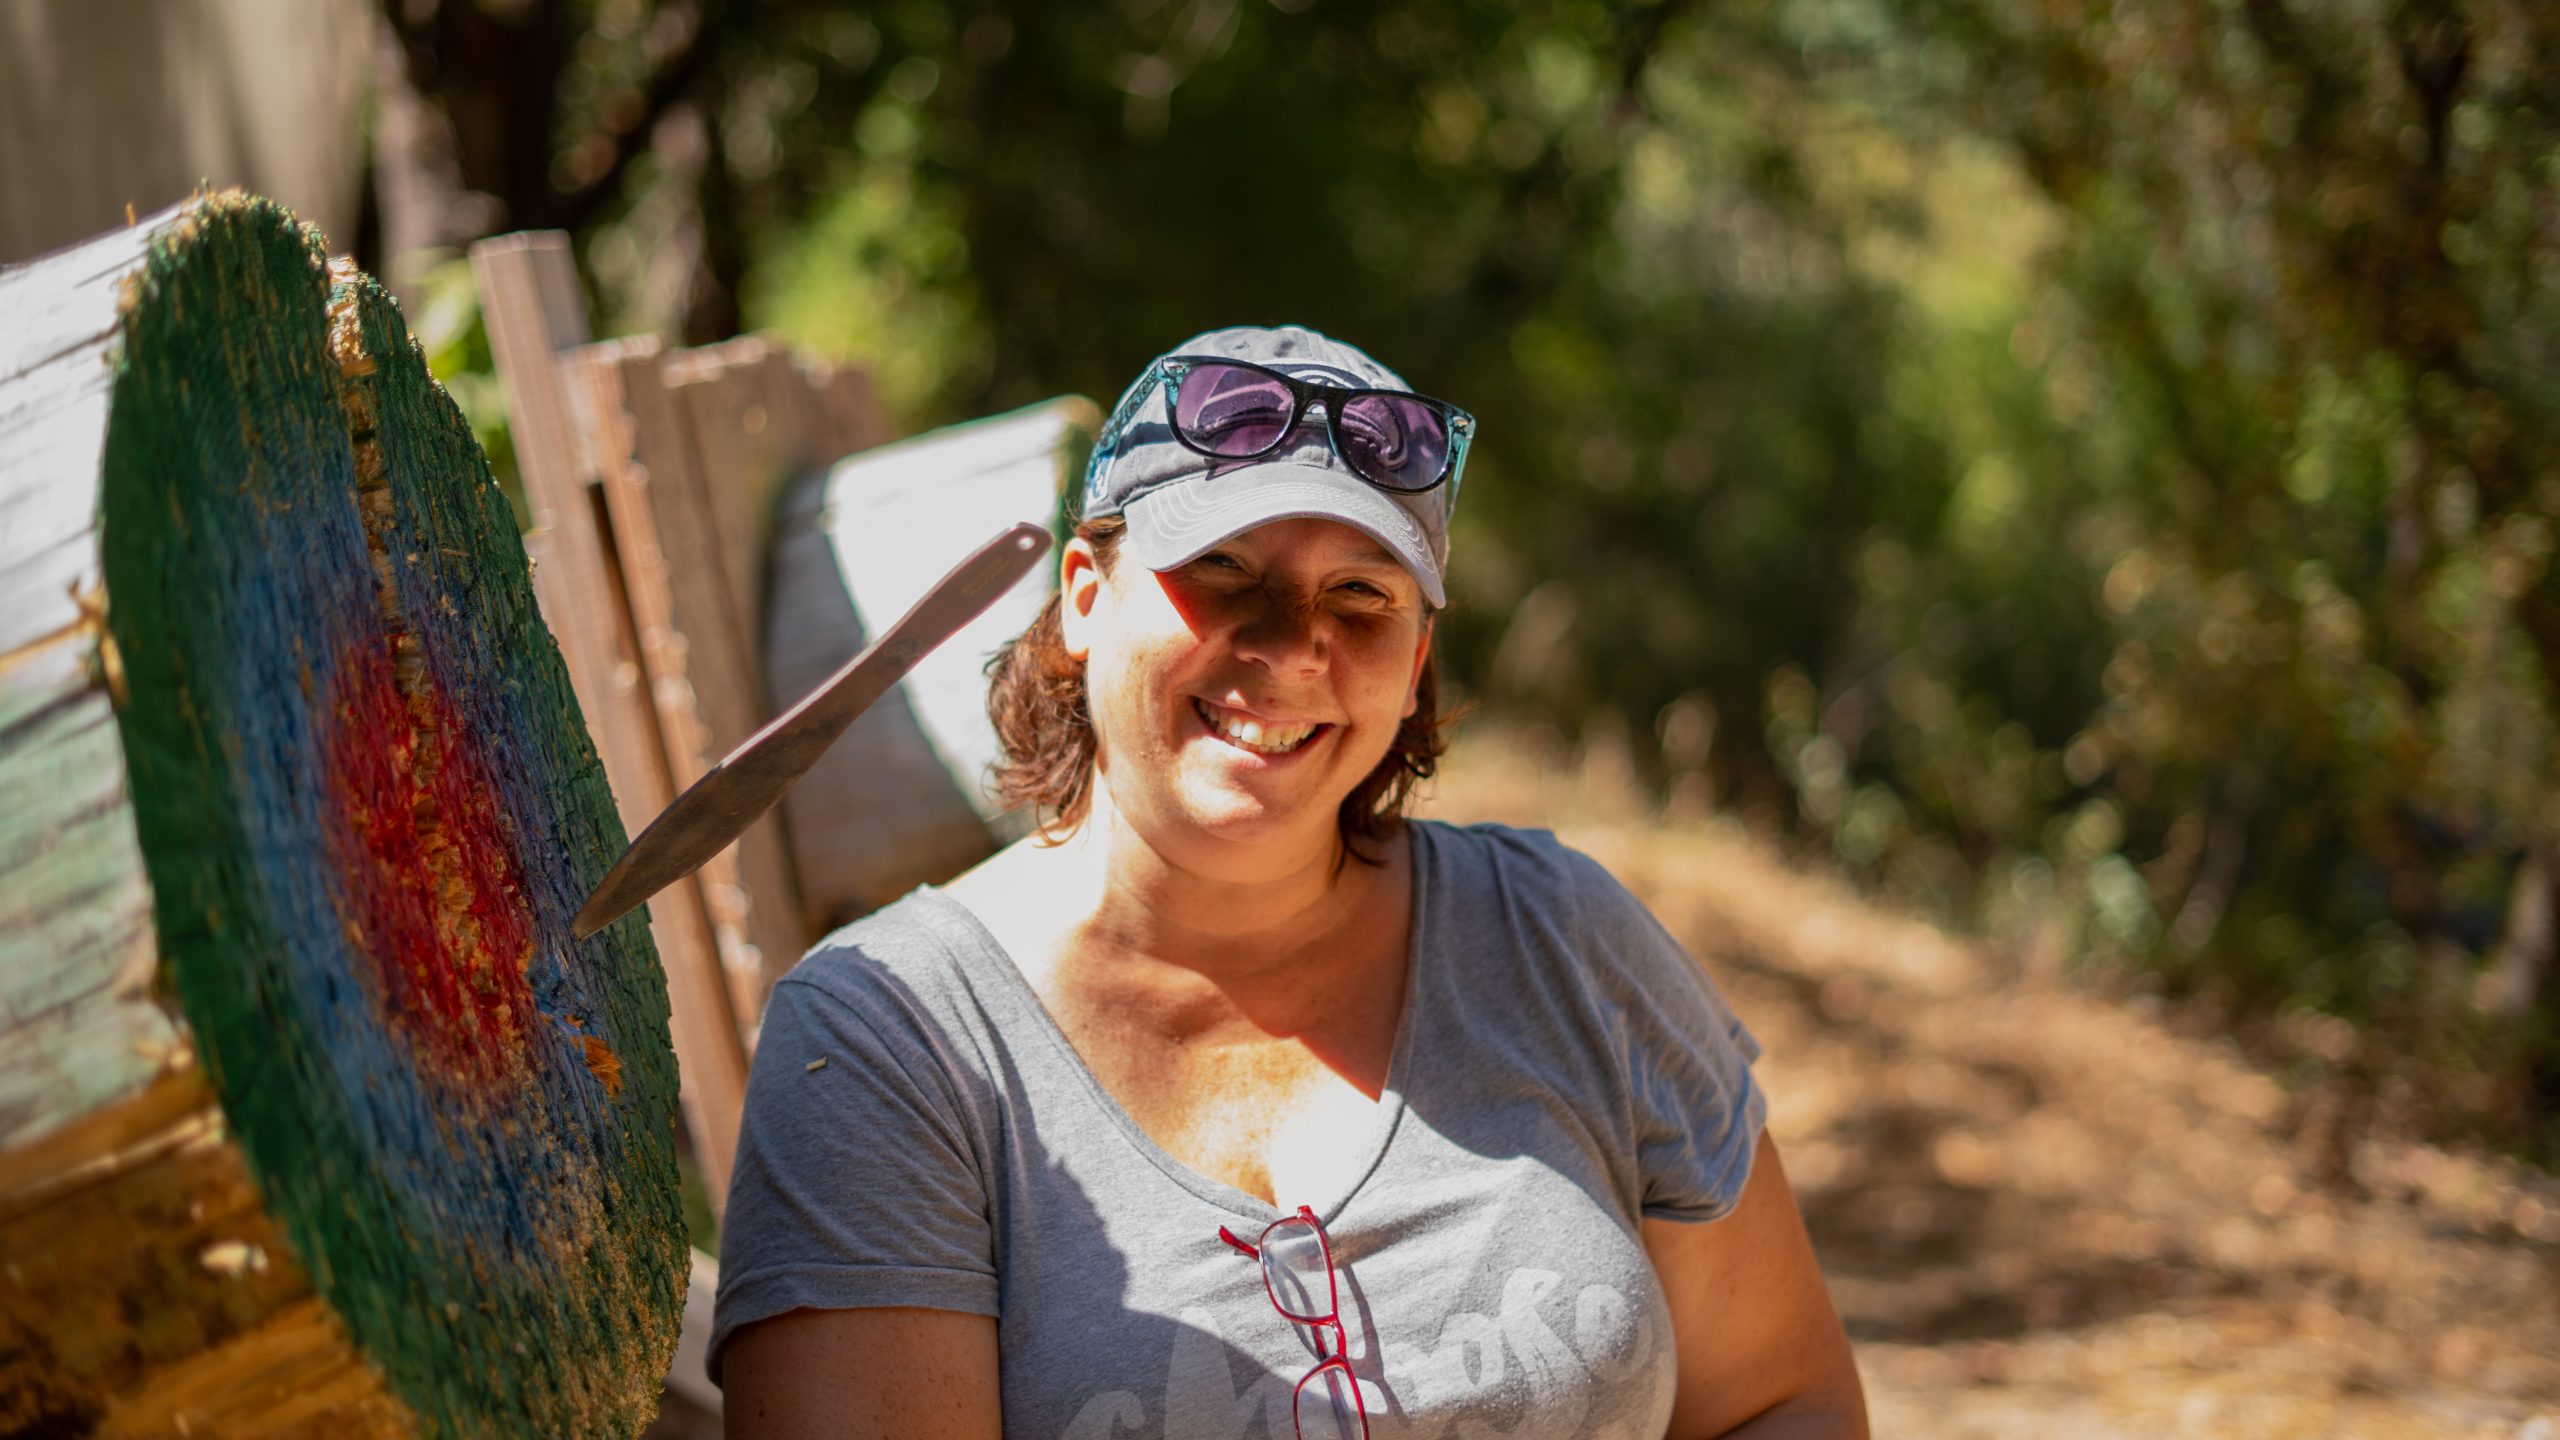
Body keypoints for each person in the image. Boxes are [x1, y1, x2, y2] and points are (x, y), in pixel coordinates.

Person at [712, 325, 1868, 1440]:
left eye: (1361, 596)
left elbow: (1781, 1404)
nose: (1290, 646)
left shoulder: (1563, 941)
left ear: (1414, 665)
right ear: (1082, 600)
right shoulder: (891, 1040)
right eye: (1222, 569)